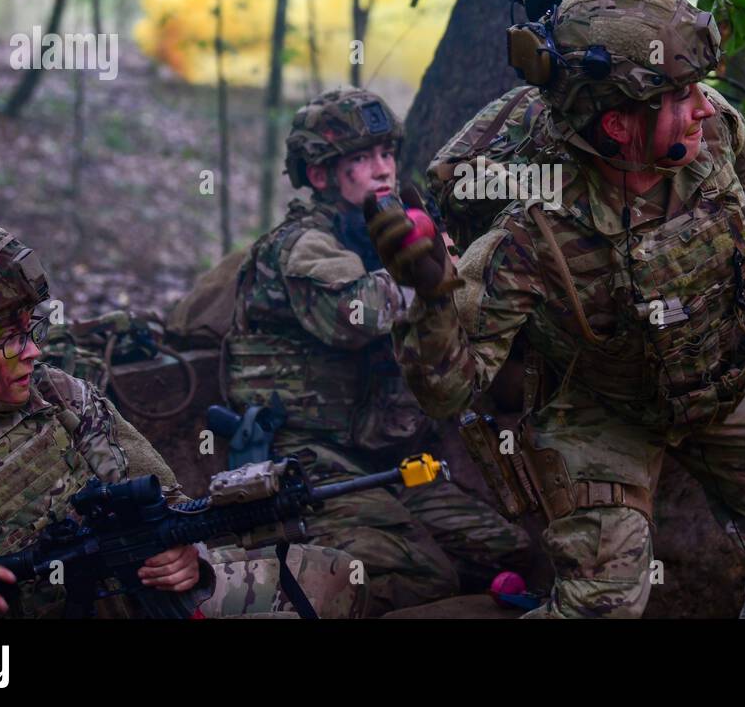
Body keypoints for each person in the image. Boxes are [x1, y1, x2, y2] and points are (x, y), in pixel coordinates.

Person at [368, 0, 745, 618]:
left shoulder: (707, 134)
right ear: (619, 125)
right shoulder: (531, 232)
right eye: (680, 95)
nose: (704, 107)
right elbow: (450, 390)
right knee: (601, 606)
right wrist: (429, 296)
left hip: (723, 380)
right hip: (598, 408)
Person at [0, 220, 362, 619]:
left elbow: (169, 506)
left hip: (131, 599)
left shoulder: (56, 395)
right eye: (10, 338)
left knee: (338, 576)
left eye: (29, 328)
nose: (33, 350)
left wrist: (186, 557)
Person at [224, 88, 531, 615]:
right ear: (320, 175)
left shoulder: (387, 227)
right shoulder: (301, 243)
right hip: (309, 464)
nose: (382, 169)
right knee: (423, 576)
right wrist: (424, 276)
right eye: (361, 159)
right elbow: (354, 314)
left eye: (386, 154)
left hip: (391, 462)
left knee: (509, 552)